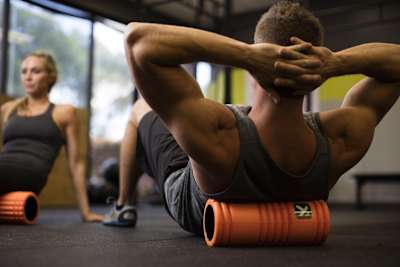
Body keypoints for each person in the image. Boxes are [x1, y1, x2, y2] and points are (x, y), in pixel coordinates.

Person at [104, 1, 399, 234]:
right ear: (316, 75)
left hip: (194, 183)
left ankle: (122, 205)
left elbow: (136, 40)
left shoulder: (218, 131)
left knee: (140, 109)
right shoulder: (339, 137)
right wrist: (335, 63)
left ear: (257, 72)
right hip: (216, 154)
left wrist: (246, 55)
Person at [0, 51, 103, 222]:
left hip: (29, 173)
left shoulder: (63, 113)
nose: (28, 76)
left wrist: (86, 212)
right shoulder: (8, 109)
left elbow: (76, 163)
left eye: (35, 71)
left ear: (50, 77)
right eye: (24, 71)